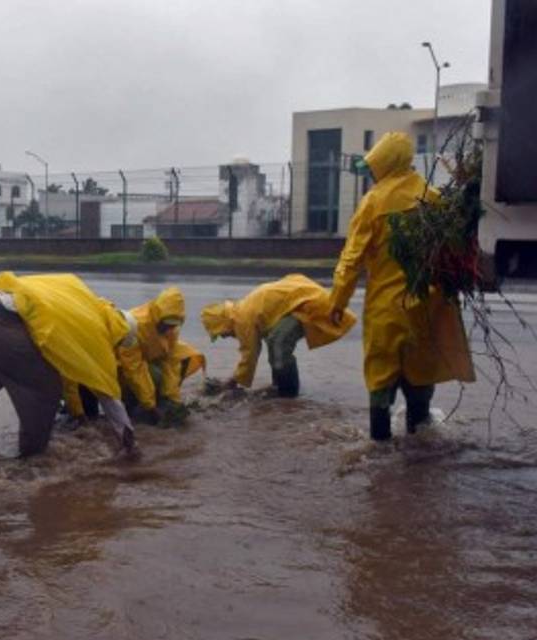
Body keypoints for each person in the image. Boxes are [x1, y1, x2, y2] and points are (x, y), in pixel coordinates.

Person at [326, 131, 474, 440]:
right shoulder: (432, 198)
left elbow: (351, 259)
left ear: (382, 161)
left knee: (380, 380)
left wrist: (337, 302)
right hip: (427, 306)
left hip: (386, 311)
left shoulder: (373, 202)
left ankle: (379, 451)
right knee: (420, 378)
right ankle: (419, 449)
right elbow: (456, 252)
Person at [0, 271, 140, 459]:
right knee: (45, 392)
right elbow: (109, 397)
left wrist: (78, 413)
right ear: (119, 336)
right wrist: (128, 442)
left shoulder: (83, 298)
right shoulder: (98, 339)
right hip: (5, 324)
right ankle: (32, 463)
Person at [200, 274, 356, 397]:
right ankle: (279, 386)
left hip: (307, 303)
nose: (225, 337)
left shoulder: (241, 319)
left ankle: (288, 393)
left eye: (221, 333)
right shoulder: (242, 310)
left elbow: (250, 355)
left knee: (278, 342)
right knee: (274, 340)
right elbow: (254, 350)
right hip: (303, 298)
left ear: (224, 323)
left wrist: (232, 381)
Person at [117, 286, 206, 423]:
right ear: (157, 315)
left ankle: (158, 400)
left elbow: (171, 363)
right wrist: (150, 405)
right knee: (154, 375)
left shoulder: (171, 330)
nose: (168, 329)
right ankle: (132, 407)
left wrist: (172, 398)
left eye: (173, 325)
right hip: (121, 367)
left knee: (185, 355)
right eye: (166, 324)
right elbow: (134, 369)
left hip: (145, 363)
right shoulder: (135, 326)